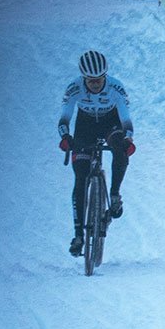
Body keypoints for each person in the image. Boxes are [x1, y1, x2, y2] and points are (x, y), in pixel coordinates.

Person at [57, 49, 135, 257]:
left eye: (99, 80)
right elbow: (65, 118)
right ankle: (78, 235)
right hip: (85, 126)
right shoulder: (73, 89)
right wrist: (65, 137)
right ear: (83, 78)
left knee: (119, 147)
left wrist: (128, 140)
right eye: (90, 81)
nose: (95, 84)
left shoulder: (116, 88)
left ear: (105, 76)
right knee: (80, 175)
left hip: (111, 123)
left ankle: (114, 194)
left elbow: (126, 120)